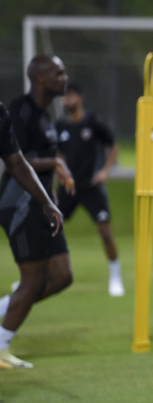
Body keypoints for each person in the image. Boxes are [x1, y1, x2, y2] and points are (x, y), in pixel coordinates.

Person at [0, 55, 73, 369]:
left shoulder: (45, 115)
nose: (64, 77)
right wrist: (56, 163)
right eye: (59, 72)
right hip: (19, 204)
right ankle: (1, 345)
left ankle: (5, 308)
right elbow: (17, 159)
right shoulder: (20, 110)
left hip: (42, 204)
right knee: (33, 279)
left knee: (61, 276)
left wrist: (50, 192)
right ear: (41, 78)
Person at [55, 84, 124, 297]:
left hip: (92, 187)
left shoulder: (93, 123)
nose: (66, 101)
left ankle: (115, 276)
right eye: (64, 97)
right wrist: (61, 171)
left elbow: (113, 145)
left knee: (105, 233)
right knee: (49, 228)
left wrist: (104, 171)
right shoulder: (59, 127)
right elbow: (56, 154)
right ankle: (34, 275)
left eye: (70, 96)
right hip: (68, 188)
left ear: (79, 98)